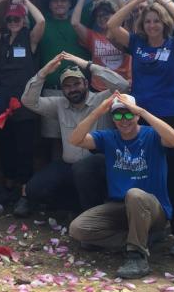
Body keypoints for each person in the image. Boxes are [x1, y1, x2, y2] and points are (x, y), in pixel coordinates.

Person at [107, 0, 174, 258]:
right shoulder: (137, 44)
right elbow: (112, 25)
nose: (153, 25)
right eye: (148, 21)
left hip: (169, 115)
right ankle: (152, 227)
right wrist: (139, 1)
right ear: (142, 26)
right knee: (144, 171)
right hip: (140, 117)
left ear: (163, 23)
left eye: (157, 21)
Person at [68, 92, 174, 278]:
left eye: (129, 114)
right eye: (118, 115)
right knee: (78, 229)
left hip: (152, 207)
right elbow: (75, 140)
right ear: (112, 118)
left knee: (134, 194)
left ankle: (136, 256)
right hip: (120, 206)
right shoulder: (109, 137)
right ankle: (140, 240)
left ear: (136, 115)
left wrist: (143, 112)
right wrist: (97, 112)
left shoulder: (151, 135)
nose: (124, 120)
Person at [16, 52, 129, 217]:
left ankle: (92, 216)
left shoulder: (102, 100)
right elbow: (28, 101)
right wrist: (44, 73)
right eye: (67, 86)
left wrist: (88, 65)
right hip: (69, 166)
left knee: (83, 169)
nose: (72, 89)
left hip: (101, 168)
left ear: (86, 83)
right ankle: (76, 207)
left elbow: (123, 86)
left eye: (76, 83)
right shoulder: (60, 104)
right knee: (35, 189)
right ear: (62, 90)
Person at [0, 0, 45, 197]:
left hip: (25, 103)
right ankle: (7, 188)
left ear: (23, 20)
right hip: (3, 103)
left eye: (17, 19)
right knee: (5, 147)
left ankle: (24, 192)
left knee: (25, 148)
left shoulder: (30, 38)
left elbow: (41, 21)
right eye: (10, 19)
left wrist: (24, 0)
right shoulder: (2, 37)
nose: (14, 23)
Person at [24, 0, 93, 149]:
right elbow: (18, 1)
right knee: (54, 142)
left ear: (71, 3)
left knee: (81, 137)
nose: (59, 3)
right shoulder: (42, 21)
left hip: (80, 91)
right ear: (49, 4)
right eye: (55, 1)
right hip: (51, 92)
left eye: (64, 0)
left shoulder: (79, 19)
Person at [71, 0, 131, 91]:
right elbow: (75, 23)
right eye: (98, 16)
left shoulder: (124, 34)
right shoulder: (92, 37)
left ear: (115, 15)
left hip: (123, 87)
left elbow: (127, 15)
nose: (102, 18)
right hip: (99, 89)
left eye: (106, 14)